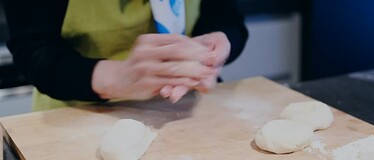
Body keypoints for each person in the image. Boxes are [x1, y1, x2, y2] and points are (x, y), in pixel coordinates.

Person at [1, 0, 248, 111]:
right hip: (80, 111)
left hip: (189, 109)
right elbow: (33, 48)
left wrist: (217, 45)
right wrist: (117, 77)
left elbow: (227, 17)